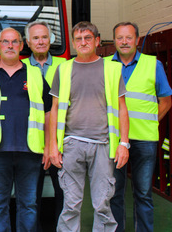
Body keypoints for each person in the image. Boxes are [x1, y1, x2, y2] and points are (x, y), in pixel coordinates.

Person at [49, 21, 129, 232]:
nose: (83, 43)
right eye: (78, 39)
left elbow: (122, 108)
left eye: (87, 38)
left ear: (97, 41)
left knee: (102, 205)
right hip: (71, 145)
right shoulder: (63, 69)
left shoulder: (112, 68)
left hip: (103, 145)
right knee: (71, 205)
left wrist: (124, 144)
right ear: (74, 43)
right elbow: (54, 109)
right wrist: (53, 147)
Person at [0, 27, 52, 232]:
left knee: (29, 205)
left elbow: (48, 112)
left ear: (22, 45)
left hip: (31, 151)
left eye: (15, 42)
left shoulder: (35, 74)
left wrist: (48, 147)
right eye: (5, 42)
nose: (10, 46)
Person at [108, 22, 172, 232]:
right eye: (120, 38)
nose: (124, 42)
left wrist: (151, 122)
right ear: (114, 41)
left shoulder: (153, 65)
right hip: (115, 140)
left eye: (129, 37)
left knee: (143, 193)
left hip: (144, 140)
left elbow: (166, 102)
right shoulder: (106, 65)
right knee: (114, 192)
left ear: (137, 40)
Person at [22, 20, 66, 229]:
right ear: (28, 43)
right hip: (32, 142)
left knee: (65, 194)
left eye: (44, 37)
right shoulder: (19, 68)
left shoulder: (65, 66)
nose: (40, 42)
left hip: (62, 142)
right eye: (36, 38)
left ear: (51, 40)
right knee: (31, 196)